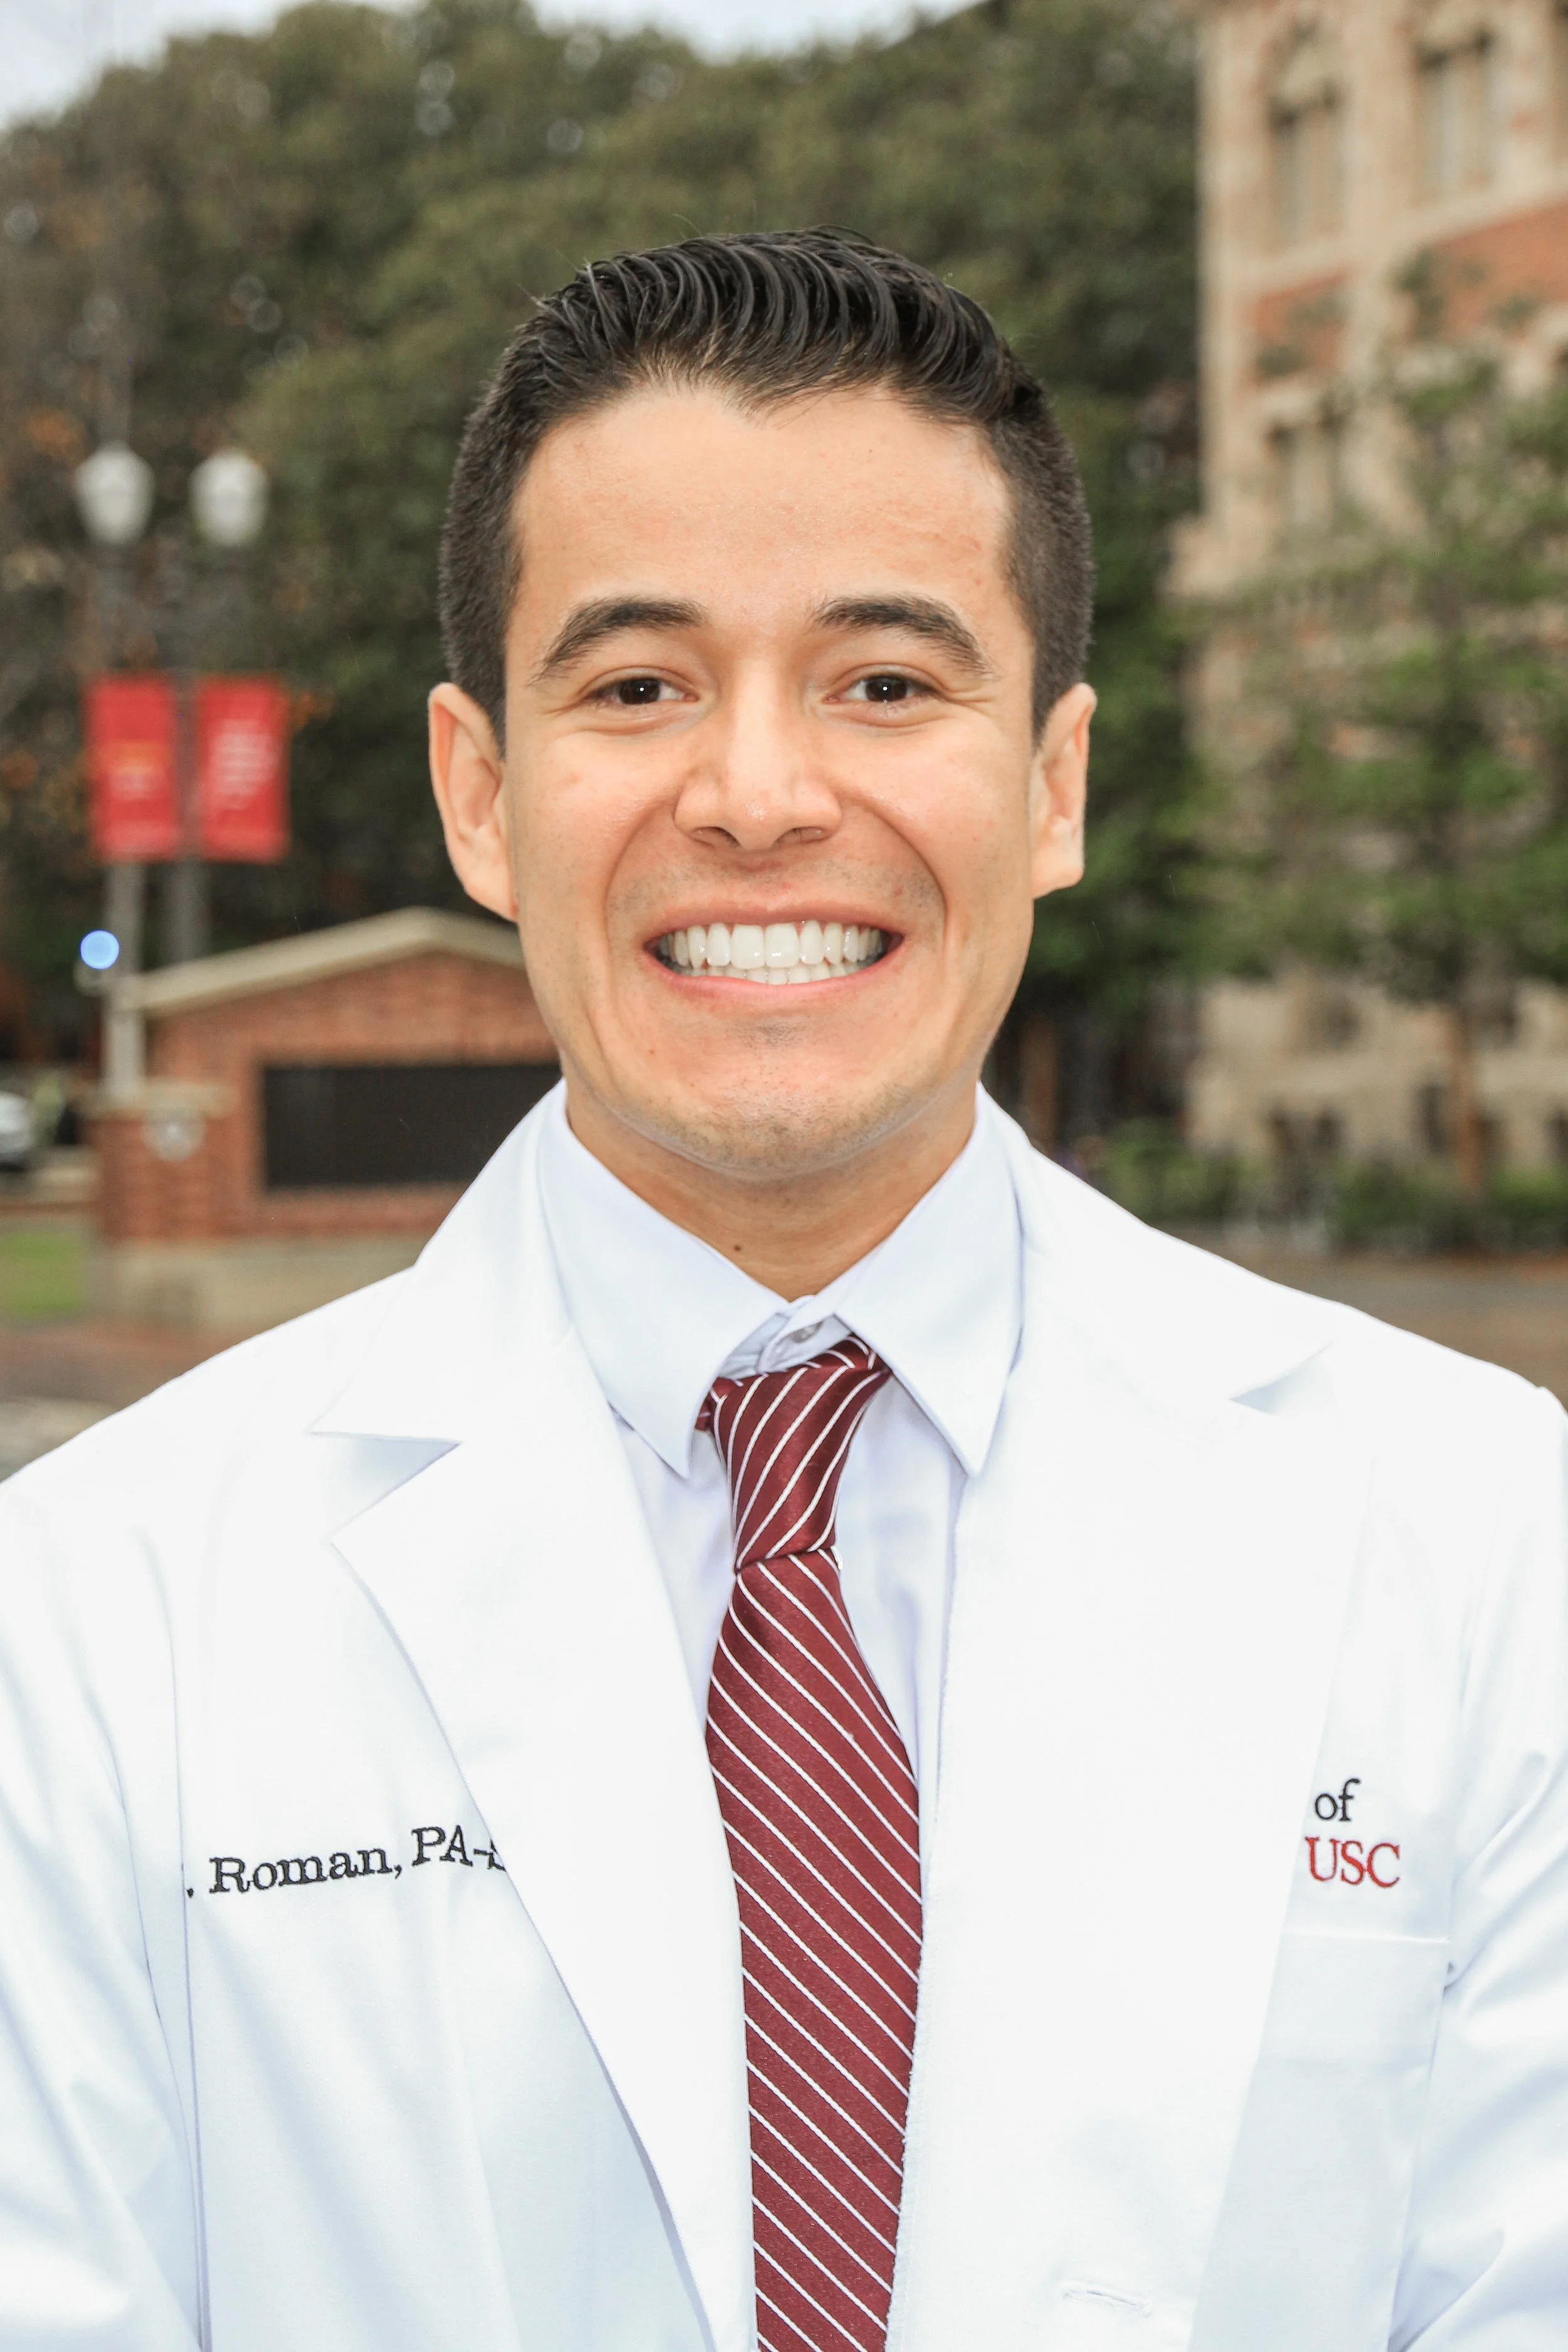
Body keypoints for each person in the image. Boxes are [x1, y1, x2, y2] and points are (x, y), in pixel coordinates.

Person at [1, 230, 1564, 2352]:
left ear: (1053, 784)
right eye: (636, 686)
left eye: (887, 684)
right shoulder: (90, 1612)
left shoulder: (1479, 1539)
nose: (756, 796)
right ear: (481, 790)